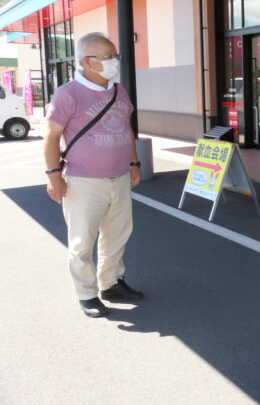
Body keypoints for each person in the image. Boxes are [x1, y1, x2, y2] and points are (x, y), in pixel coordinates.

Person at [43, 32, 144, 318]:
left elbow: (126, 128)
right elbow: (51, 137)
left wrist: (134, 163)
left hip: (119, 178)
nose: (114, 62)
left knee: (117, 235)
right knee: (82, 242)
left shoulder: (118, 90)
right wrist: (54, 175)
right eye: (107, 57)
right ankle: (86, 293)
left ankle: (110, 283)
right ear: (87, 61)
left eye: (115, 56)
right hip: (82, 180)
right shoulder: (68, 93)